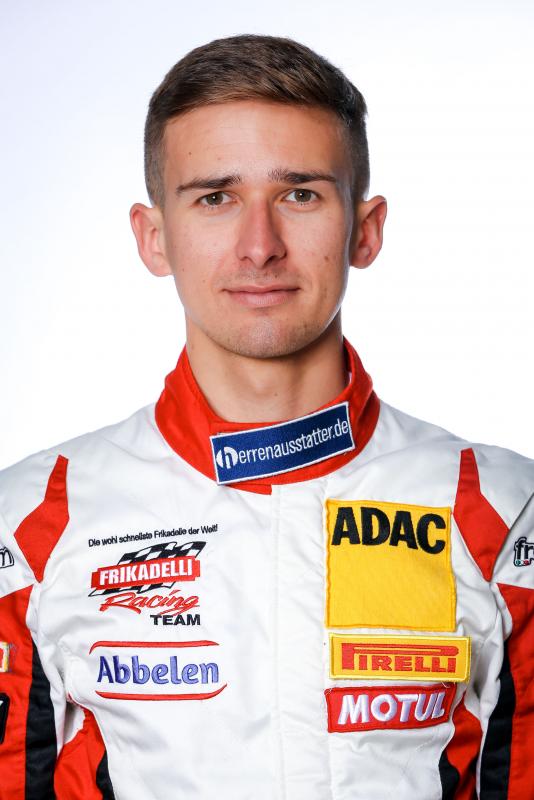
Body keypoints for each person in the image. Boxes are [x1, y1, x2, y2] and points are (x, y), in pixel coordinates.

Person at [0, 32, 532, 800]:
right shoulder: (31, 526)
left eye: (300, 195)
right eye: (215, 197)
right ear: (154, 238)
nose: (260, 247)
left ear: (365, 230)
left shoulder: (503, 513)